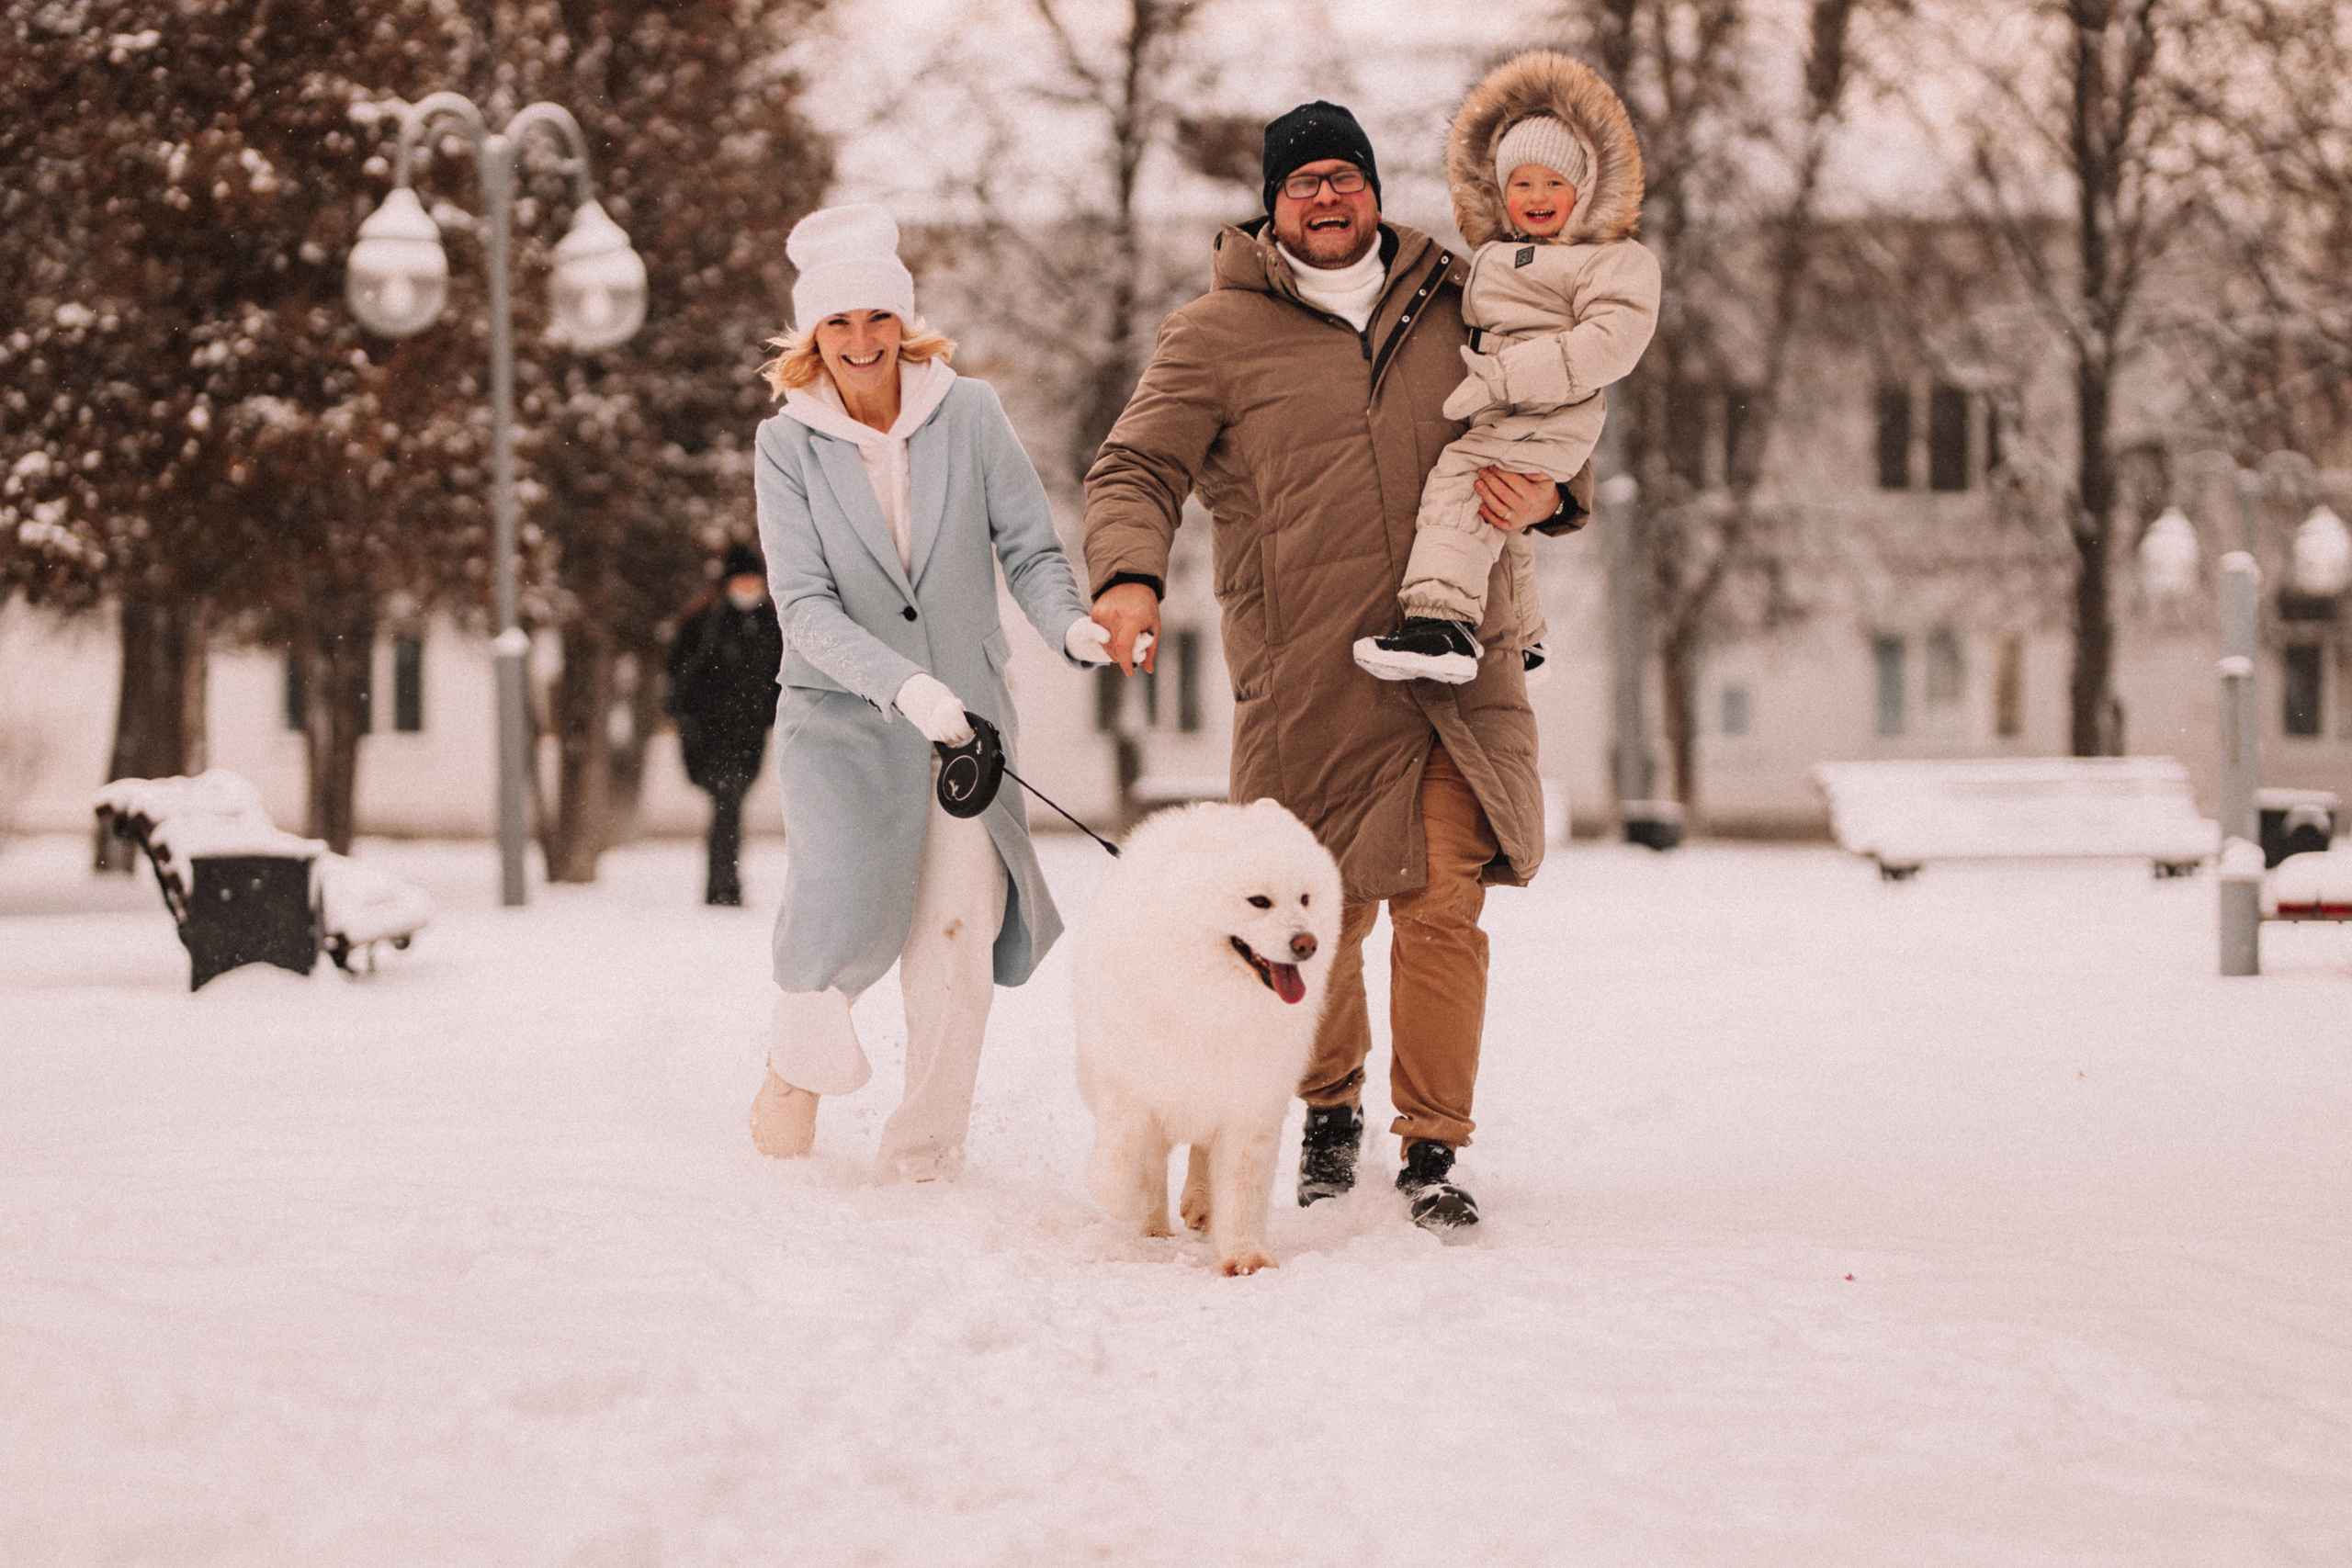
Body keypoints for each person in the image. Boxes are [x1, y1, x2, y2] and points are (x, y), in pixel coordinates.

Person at [1083, 101, 1594, 1234]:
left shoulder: (1466, 298)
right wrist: (1127, 576)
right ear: (1271, 204)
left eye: (1343, 176)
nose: (1325, 195)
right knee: (1325, 914)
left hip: (1460, 664)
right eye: (1302, 180)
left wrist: (1558, 495)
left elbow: (1561, 404)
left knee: (1444, 904)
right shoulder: (1215, 334)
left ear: (1374, 190)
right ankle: (1324, 1106)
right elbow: (1133, 468)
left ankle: (1432, 1145)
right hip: (1309, 675)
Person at [744, 203, 1113, 1181]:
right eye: (838, 323)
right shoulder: (787, 446)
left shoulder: (970, 412)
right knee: (844, 914)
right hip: (841, 721)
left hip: (969, 728)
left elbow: (1029, 550)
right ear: (811, 335)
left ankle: (925, 1148)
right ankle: (795, 1062)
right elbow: (804, 605)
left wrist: (1068, 624)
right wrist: (905, 690)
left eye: (877, 319)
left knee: (956, 930)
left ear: (904, 321)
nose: (860, 342)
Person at [1354, 51, 1658, 685]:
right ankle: (1521, 640)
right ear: (1500, 192)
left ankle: (1440, 623)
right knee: (1501, 515)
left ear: (1586, 188)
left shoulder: (1612, 259)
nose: (1538, 196)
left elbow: (1612, 342)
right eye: (1522, 183)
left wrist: (1506, 376)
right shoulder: (1496, 256)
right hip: (1511, 408)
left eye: (1554, 182)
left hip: (1554, 409)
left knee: (1461, 480)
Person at [666, 540, 785, 906]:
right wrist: (687, 717)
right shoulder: (704, 623)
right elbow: (681, 674)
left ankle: (723, 883)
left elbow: (776, 676)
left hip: (748, 732)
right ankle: (723, 884)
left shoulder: (770, 623)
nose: (749, 591)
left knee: (729, 804)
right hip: (709, 731)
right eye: (742, 583)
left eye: (754, 583)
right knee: (726, 802)